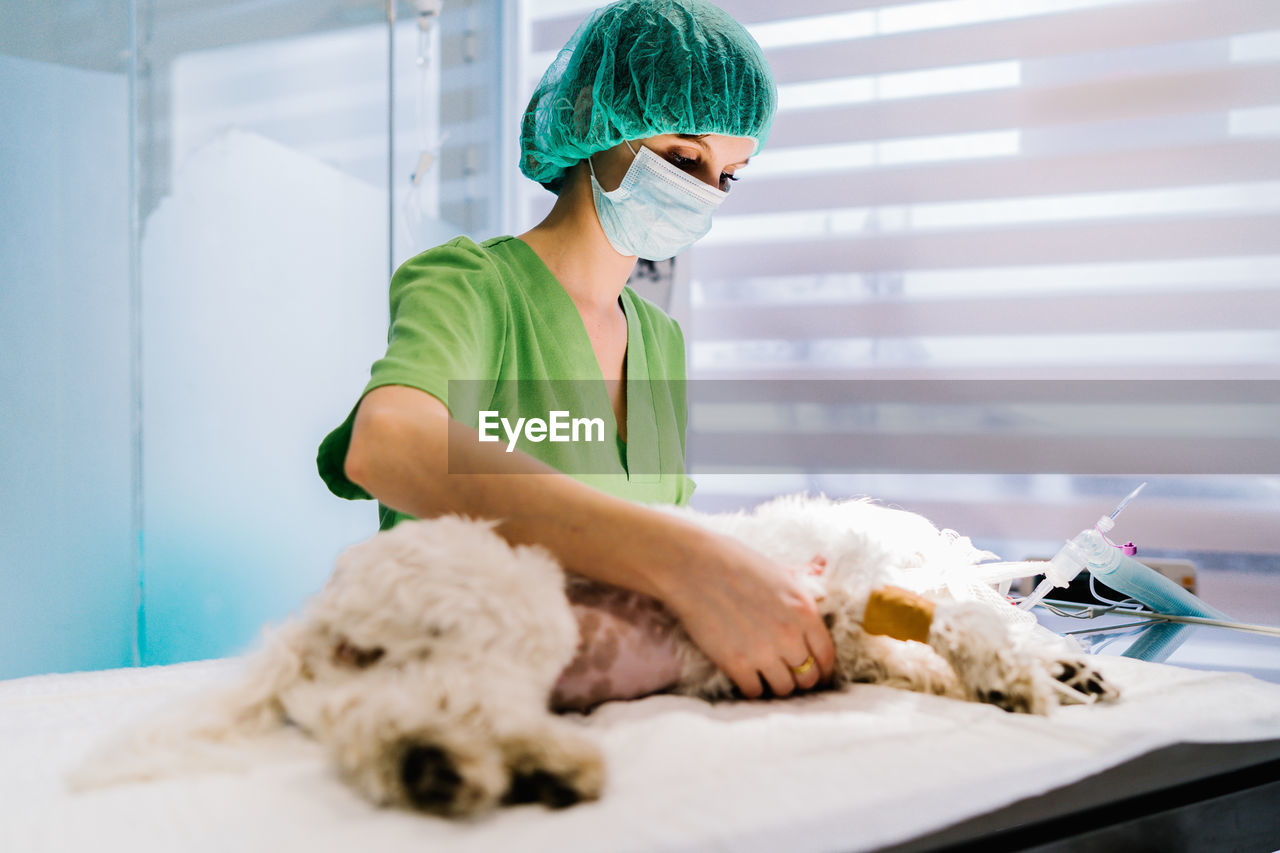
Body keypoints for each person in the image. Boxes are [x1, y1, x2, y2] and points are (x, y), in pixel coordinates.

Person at [316, 0, 835, 705]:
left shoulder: (659, 341)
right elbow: (385, 445)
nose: (707, 192)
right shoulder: (471, 285)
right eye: (685, 156)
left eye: (729, 174)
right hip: (458, 699)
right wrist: (688, 559)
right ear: (598, 118)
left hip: (620, 714)